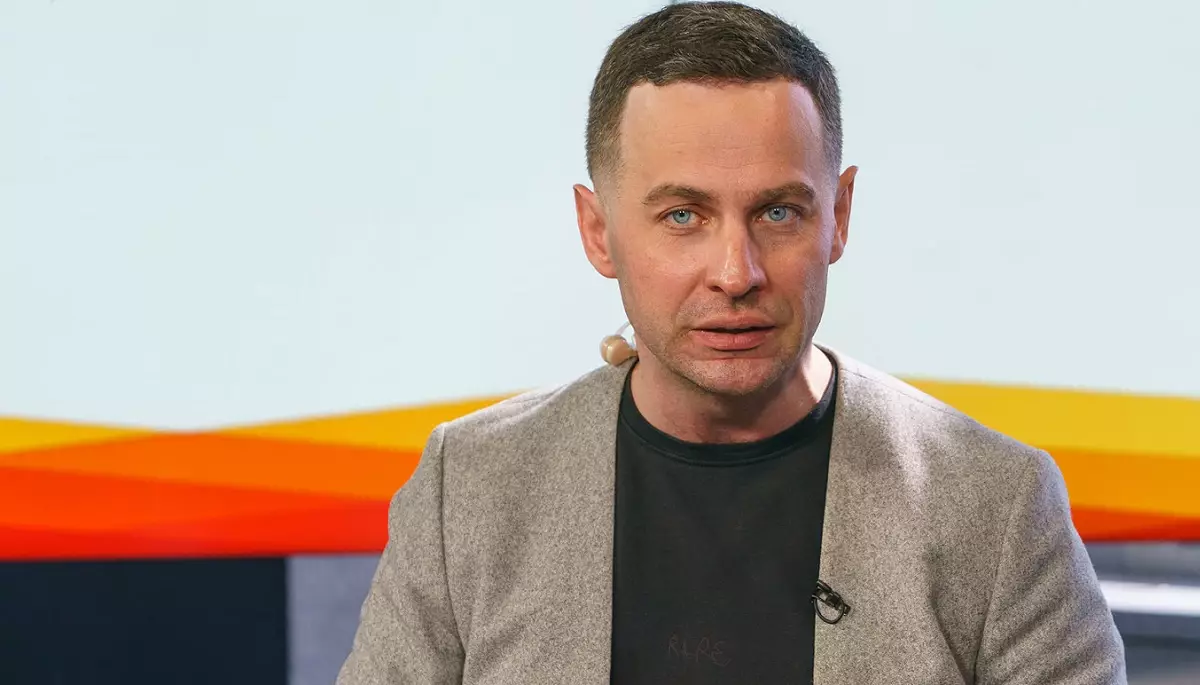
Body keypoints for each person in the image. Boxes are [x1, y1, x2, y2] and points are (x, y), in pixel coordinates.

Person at [338, 2, 1126, 683]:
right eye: (682, 215)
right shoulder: (470, 487)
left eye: (779, 212)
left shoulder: (996, 503)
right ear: (598, 231)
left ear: (838, 216)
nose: (735, 272)